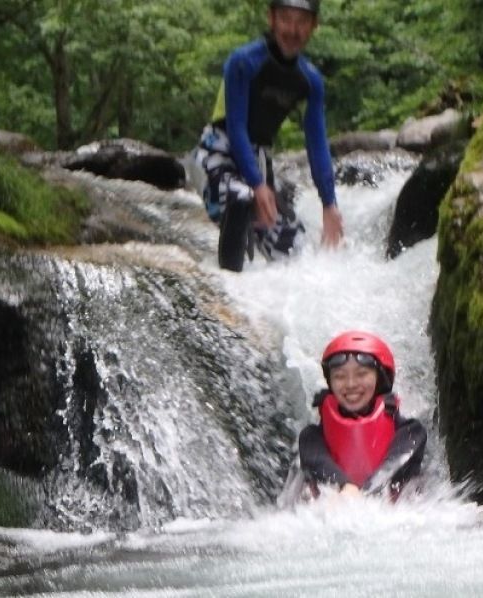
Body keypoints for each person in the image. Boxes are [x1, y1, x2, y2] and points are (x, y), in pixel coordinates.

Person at [199, 0, 343, 271]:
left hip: (259, 161)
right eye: (286, 19)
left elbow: (316, 142)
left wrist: (329, 204)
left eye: (302, 22)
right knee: (241, 198)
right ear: (272, 19)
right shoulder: (243, 61)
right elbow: (237, 127)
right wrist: (257, 184)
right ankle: (226, 291)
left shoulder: (310, 80)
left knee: (297, 251)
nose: (293, 30)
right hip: (217, 153)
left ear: (313, 26)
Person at [298, 331, 427, 499]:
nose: (351, 384)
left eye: (362, 374)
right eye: (340, 376)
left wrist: (363, 494)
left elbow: (394, 465)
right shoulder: (311, 437)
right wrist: (345, 486)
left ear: (380, 379)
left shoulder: (411, 432)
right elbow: (317, 461)